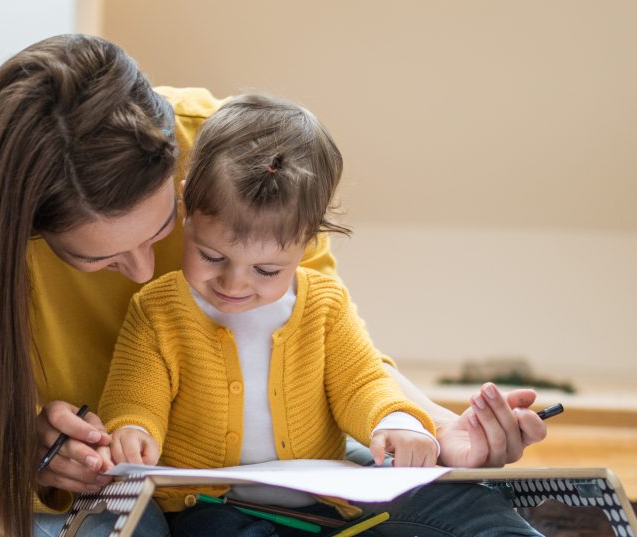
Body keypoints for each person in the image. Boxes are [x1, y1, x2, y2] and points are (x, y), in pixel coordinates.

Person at [0, 35, 546, 537]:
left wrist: (440, 430)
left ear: (184, 181)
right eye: (97, 259)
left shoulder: (244, 159)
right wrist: (35, 446)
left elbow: (339, 357)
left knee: (469, 515)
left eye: (164, 228)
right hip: (126, 484)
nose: (144, 273)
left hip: (299, 468)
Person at [101, 94, 541, 536]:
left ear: (307, 242)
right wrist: (134, 429)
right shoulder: (157, 311)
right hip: (211, 508)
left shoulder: (324, 305)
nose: (234, 285)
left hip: (325, 504)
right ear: (186, 208)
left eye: (266, 270)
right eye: (212, 257)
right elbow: (135, 395)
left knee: (477, 510)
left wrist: (396, 422)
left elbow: (362, 381)